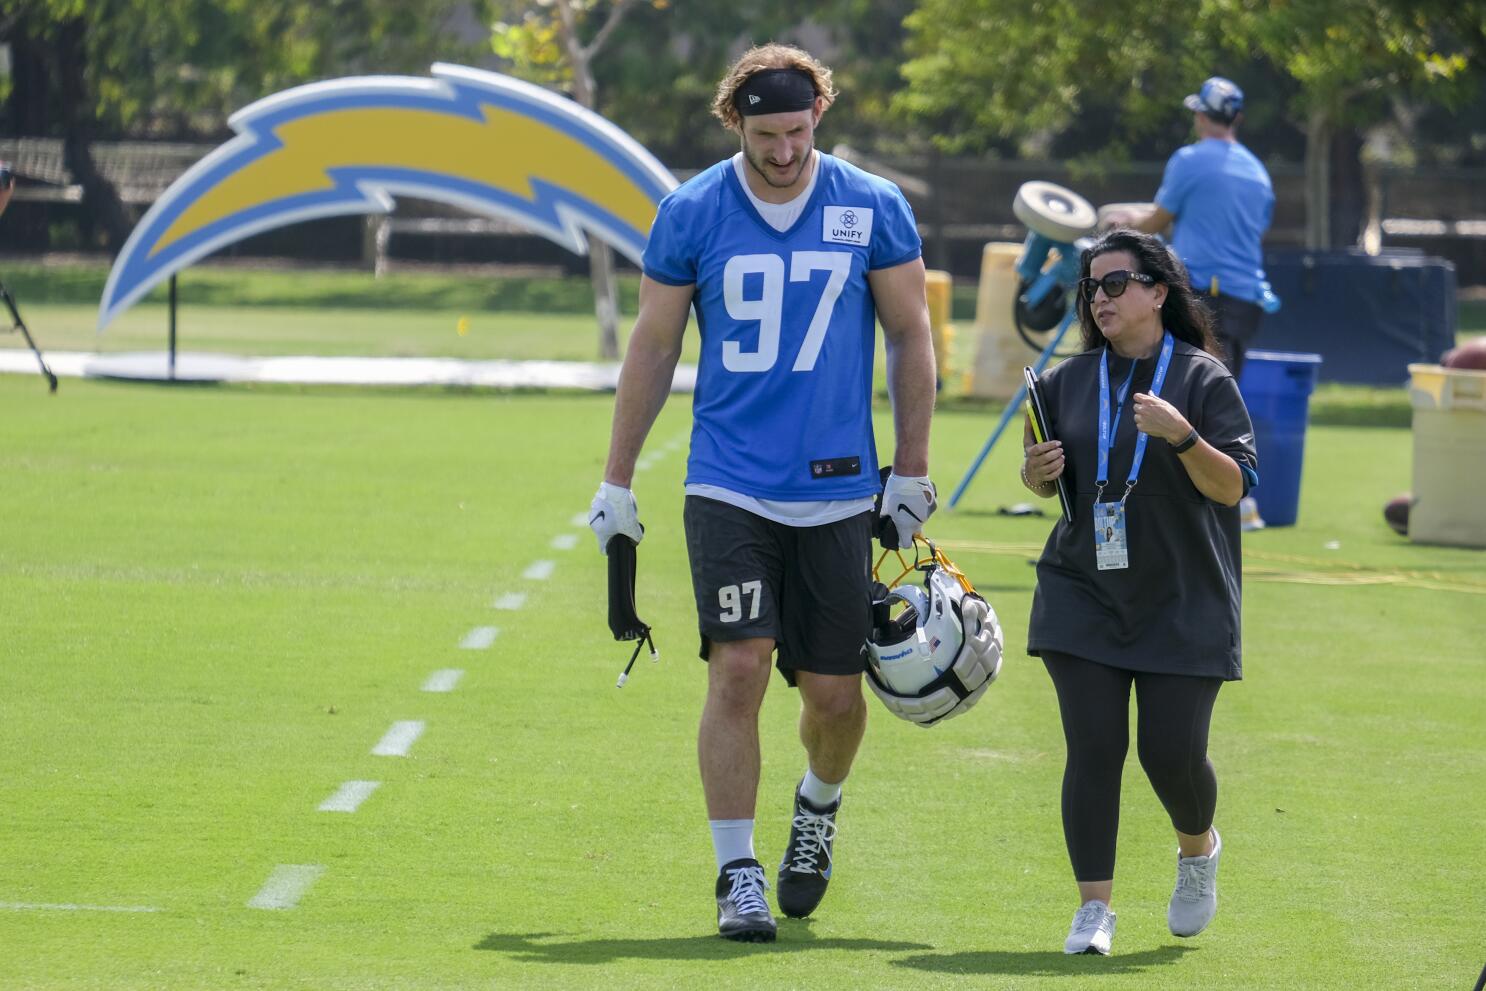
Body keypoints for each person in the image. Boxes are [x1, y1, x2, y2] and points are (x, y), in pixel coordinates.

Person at [588, 43, 937, 943]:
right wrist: (617, 477)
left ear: (818, 112)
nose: (783, 150)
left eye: (796, 130)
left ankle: (816, 806)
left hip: (836, 489)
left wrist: (910, 465)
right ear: (733, 123)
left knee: (833, 697)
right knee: (737, 666)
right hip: (730, 481)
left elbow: (909, 334)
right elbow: (655, 346)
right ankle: (737, 870)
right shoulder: (693, 210)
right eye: (764, 133)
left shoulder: (873, 206)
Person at [1019, 228, 1258, 955]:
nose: (1100, 298)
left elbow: (1234, 485)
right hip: (1082, 588)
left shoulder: (1203, 379)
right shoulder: (1066, 380)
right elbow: (1048, 481)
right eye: (1093, 286)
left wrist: (1183, 436)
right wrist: (1034, 474)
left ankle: (1197, 847)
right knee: (1093, 747)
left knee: (1170, 754)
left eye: (1116, 283)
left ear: (1158, 291)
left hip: (1184, 596)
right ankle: (1094, 908)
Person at [1102, 77, 1274, 382]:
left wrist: (1122, 224)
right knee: (1221, 396)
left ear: (1201, 116)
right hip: (1246, 300)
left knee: (1179, 393)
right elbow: (1254, 233)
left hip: (1200, 295)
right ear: (1237, 119)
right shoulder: (1257, 172)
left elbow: (1156, 222)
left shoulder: (1189, 160)